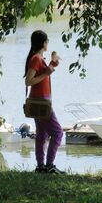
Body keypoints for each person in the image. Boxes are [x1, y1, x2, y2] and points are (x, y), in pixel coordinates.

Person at [24, 30, 65, 174]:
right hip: (40, 103)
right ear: (44, 43)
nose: (48, 44)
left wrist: (52, 63)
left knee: (42, 135)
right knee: (58, 133)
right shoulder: (36, 59)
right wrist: (47, 73)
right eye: (47, 42)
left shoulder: (39, 59)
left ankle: (41, 166)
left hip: (40, 102)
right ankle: (49, 165)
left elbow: (42, 73)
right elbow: (28, 81)